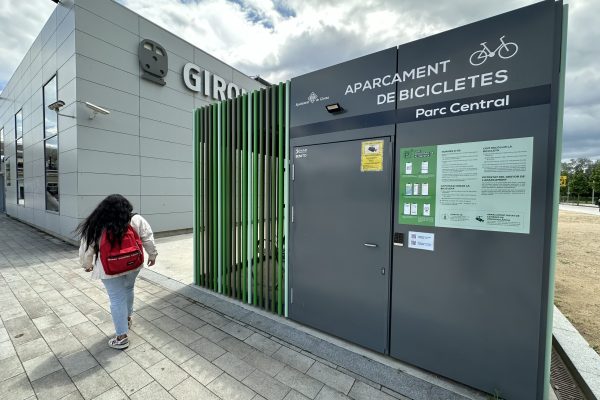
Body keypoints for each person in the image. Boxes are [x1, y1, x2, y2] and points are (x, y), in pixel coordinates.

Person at [77, 194, 158, 349]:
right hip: (132, 264)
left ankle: (121, 337)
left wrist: (87, 264)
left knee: (116, 299)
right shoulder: (136, 219)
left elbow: (87, 247)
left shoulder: (98, 223)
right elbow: (148, 238)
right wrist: (152, 255)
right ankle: (127, 318)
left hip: (109, 269)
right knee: (129, 289)